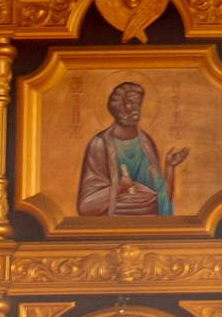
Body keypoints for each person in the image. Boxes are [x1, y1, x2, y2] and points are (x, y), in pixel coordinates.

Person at [76, 82, 177, 218]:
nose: (136, 108)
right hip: (116, 210)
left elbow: (160, 195)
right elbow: (85, 205)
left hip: (145, 210)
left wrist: (170, 167)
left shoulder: (146, 143)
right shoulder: (100, 144)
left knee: (149, 200)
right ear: (118, 106)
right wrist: (119, 187)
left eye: (138, 103)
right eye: (131, 102)